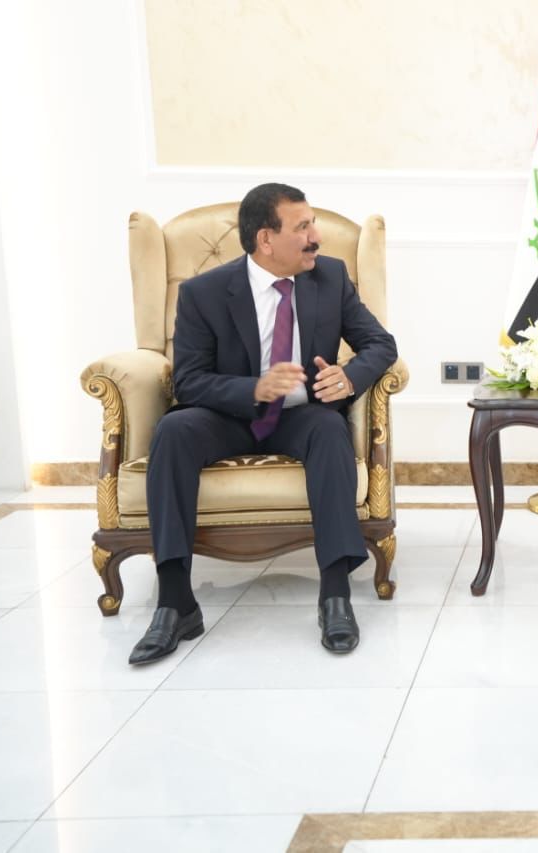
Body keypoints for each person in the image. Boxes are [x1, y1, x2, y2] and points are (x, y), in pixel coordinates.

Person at [128, 183, 397, 664]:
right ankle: (175, 602)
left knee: (330, 431)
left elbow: (381, 344)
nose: (316, 237)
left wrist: (348, 377)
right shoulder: (203, 293)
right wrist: (254, 388)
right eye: (303, 227)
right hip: (228, 416)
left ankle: (335, 595)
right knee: (173, 431)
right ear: (265, 240)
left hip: (301, 416)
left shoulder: (330, 278)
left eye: (313, 224)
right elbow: (188, 381)